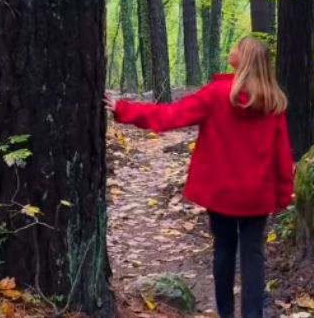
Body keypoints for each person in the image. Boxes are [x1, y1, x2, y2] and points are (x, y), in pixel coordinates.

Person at [105, 36, 294, 318]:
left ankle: (226, 313)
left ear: (243, 59)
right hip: (258, 195)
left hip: (221, 194)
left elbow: (171, 115)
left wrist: (125, 109)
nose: (231, 50)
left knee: (224, 249)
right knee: (253, 255)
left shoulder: (217, 94)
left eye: (236, 47)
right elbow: (283, 156)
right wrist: (283, 194)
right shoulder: (273, 103)